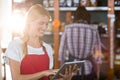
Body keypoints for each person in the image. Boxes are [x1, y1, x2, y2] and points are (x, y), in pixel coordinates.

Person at [5, 4, 77, 80]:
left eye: (46, 24)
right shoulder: (15, 45)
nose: (45, 27)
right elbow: (16, 78)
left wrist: (65, 79)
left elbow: (49, 77)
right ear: (29, 22)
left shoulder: (47, 48)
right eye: (41, 23)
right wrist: (44, 73)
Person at [58, 6, 104, 80]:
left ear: (75, 16)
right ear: (88, 17)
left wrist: (61, 73)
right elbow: (98, 55)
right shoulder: (94, 30)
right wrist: (98, 74)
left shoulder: (67, 28)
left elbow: (61, 53)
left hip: (72, 71)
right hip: (88, 70)